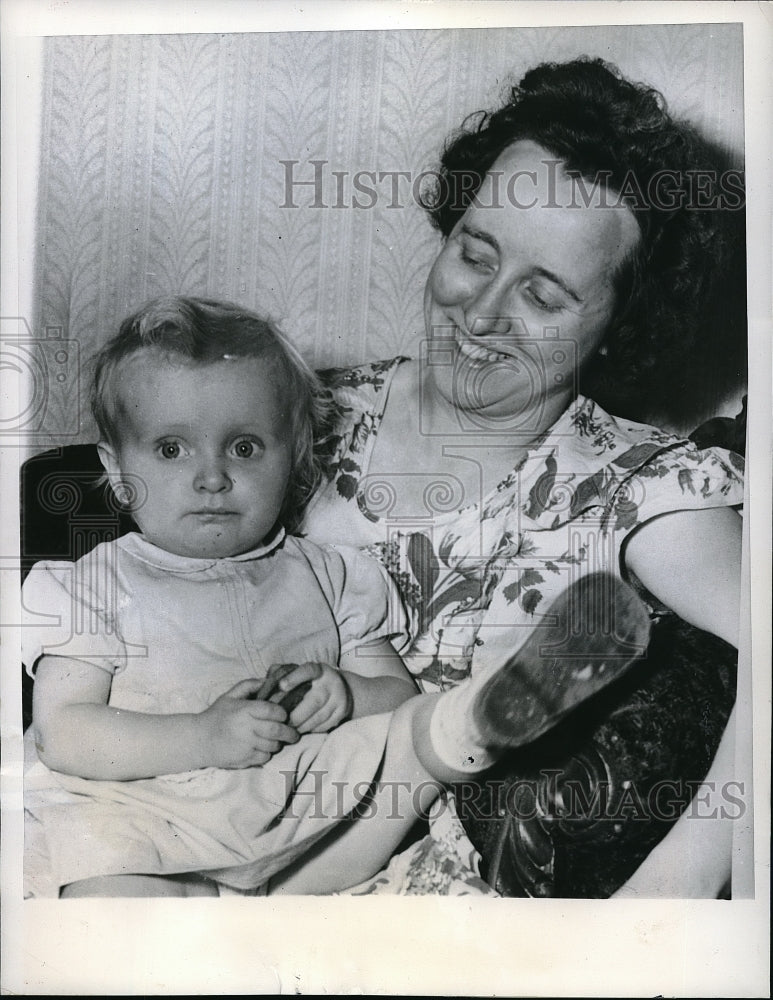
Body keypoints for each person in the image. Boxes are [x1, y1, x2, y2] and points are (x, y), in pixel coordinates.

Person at [267, 57, 745, 897]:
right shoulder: (301, 415)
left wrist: (665, 897)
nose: (481, 315)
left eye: (545, 297)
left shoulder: (638, 487)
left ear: (617, 326)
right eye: (473, 253)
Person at [23, 295, 649, 899]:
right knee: (105, 888)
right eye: (170, 448)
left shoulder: (331, 575)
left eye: (244, 448)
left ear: (293, 459)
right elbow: (63, 732)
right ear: (114, 469)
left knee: (407, 732)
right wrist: (203, 737)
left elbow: (393, 689)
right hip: (149, 827)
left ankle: (469, 726)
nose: (211, 476)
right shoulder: (93, 586)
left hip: (307, 831)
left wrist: (349, 694)